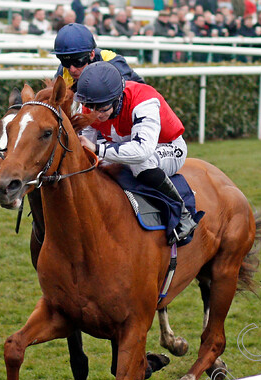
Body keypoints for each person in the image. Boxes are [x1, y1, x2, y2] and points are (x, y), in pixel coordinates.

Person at [76, 62, 198, 244]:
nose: (95, 115)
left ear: (118, 98)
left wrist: (98, 149)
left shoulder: (144, 100)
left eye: (101, 109)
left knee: (140, 163)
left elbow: (142, 151)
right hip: (127, 145)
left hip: (168, 147)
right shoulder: (91, 105)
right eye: (90, 107)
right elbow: (87, 147)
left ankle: (182, 213)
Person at [52, 23, 144, 91]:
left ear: (91, 54)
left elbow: (124, 97)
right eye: (65, 62)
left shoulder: (110, 61)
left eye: (78, 62)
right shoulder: (63, 70)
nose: (72, 69)